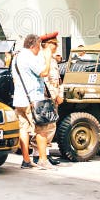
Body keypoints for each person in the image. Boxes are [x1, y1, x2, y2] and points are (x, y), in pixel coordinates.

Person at [11, 34, 53, 169]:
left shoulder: (16, 57)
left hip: (19, 99)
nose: (40, 50)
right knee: (41, 129)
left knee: (23, 129)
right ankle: (43, 160)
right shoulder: (29, 56)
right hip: (33, 98)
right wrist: (47, 58)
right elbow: (44, 72)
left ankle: (26, 160)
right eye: (39, 47)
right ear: (34, 46)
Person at [35, 32, 63, 166]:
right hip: (46, 96)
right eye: (54, 43)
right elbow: (45, 80)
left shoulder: (51, 59)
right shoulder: (42, 58)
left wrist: (60, 92)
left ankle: (45, 153)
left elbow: (57, 79)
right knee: (44, 126)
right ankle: (39, 154)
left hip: (53, 94)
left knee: (50, 126)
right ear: (46, 44)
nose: (56, 46)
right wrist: (55, 95)